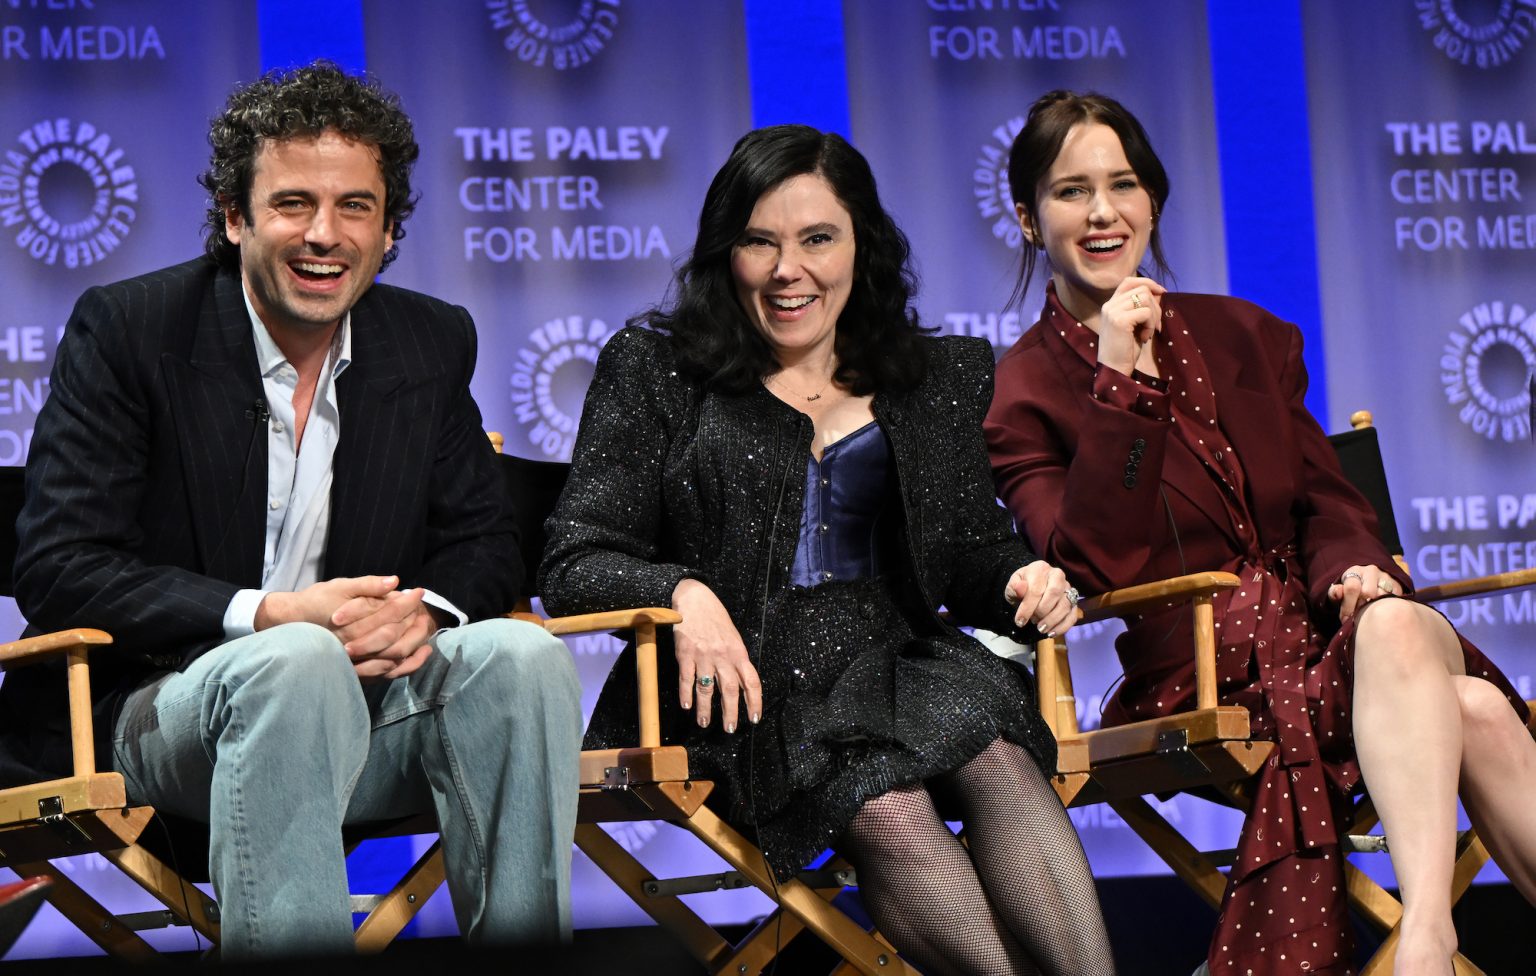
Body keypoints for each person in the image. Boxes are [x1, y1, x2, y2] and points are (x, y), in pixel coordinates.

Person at [0, 61, 582, 958]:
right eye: (292, 204)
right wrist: (269, 615)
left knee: (519, 655)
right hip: (146, 711)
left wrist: (419, 612)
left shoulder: (428, 340)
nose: (325, 235)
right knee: (296, 659)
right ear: (235, 217)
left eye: (355, 207)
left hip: (359, 709)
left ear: (389, 231)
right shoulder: (130, 330)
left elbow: (485, 542)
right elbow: (57, 565)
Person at [541, 124, 1116, 976]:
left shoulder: (934, 376)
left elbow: (968, 552)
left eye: (817, 239)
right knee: (885, 803)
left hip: (899, 664)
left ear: (862, 244)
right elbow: (573, 560)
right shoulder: (658, 370)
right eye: (759, 242)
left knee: (997, 757)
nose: (788, 271)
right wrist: (683, 594)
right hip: (737, 691)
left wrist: (1021, 577)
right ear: (723, 251)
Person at [984, 90, 1536, 976]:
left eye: (1123, 184)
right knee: (1470, 708)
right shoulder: (1024, 391)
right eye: (1069, 191)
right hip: (1202, 665)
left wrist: (1356, 568)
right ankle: (1429, 939)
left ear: (1152, 201)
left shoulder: (1241, 334)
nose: (1101, 213)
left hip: (1336, 631)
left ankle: (1425, 934)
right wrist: (1122, 385)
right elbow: (1092, 559)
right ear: (1025, 217)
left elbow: (1329, 500)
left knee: (1393, 620)